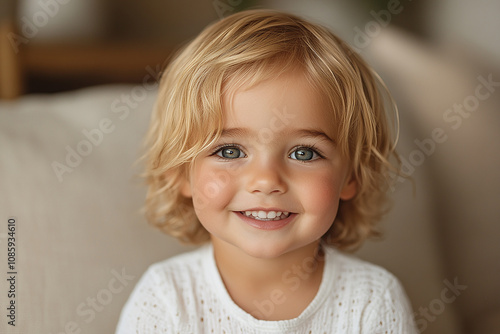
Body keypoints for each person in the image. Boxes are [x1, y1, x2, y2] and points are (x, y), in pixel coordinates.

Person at [116, 9, 418, 333]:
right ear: (179, 172)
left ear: (352, 175)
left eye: (303, 153)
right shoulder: (165, 298)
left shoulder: (372, 300)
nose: (266, 180)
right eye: (229, 151)